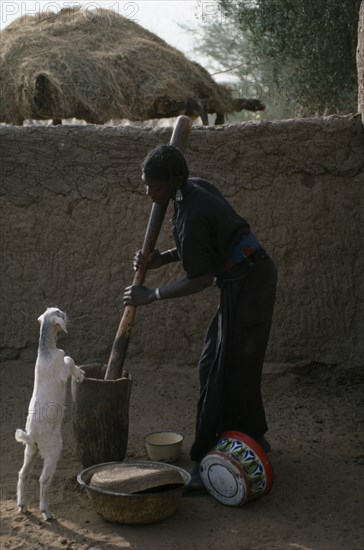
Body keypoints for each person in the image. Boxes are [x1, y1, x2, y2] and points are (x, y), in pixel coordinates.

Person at [123, 144, 277, 492]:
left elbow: (202, 277)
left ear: (176, 181)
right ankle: (253, 438)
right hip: (247, 278)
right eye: (146, 185)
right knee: (220, 365)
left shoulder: (193, 208)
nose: (150, 194)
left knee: (222, 371)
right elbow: (204, 245)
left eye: (156, 188)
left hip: (249, 283)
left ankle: (205, 460)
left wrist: (153, 295)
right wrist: (163, 258)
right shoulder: (194, 189)